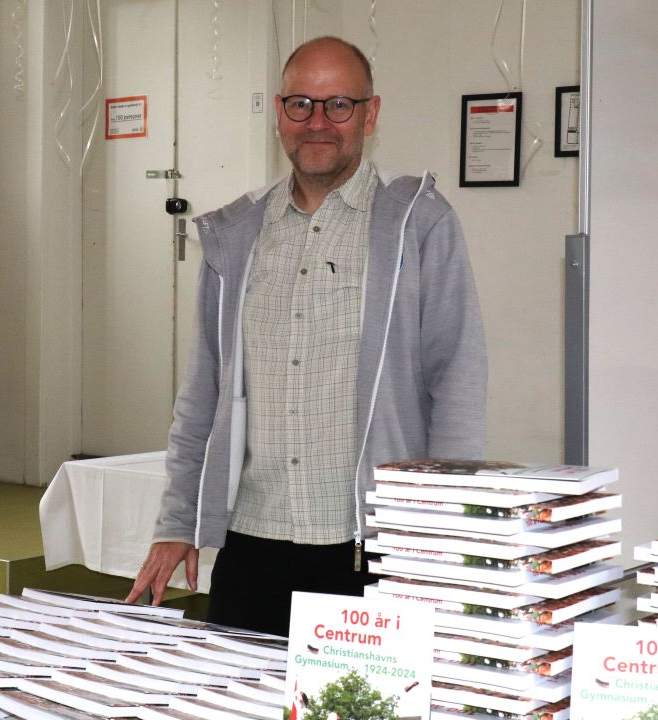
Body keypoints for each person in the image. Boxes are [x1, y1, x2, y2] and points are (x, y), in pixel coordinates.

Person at [124, 36, 487, 636]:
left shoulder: (417, 222)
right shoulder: (235, 234)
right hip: (252, 544)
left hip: (372, 548)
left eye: (338, 104)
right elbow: (202, 392)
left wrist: (440, 537)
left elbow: (458, 380)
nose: (318, 122)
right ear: (278, 114)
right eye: (301, 104)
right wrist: (177, 522)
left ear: (370, 114)